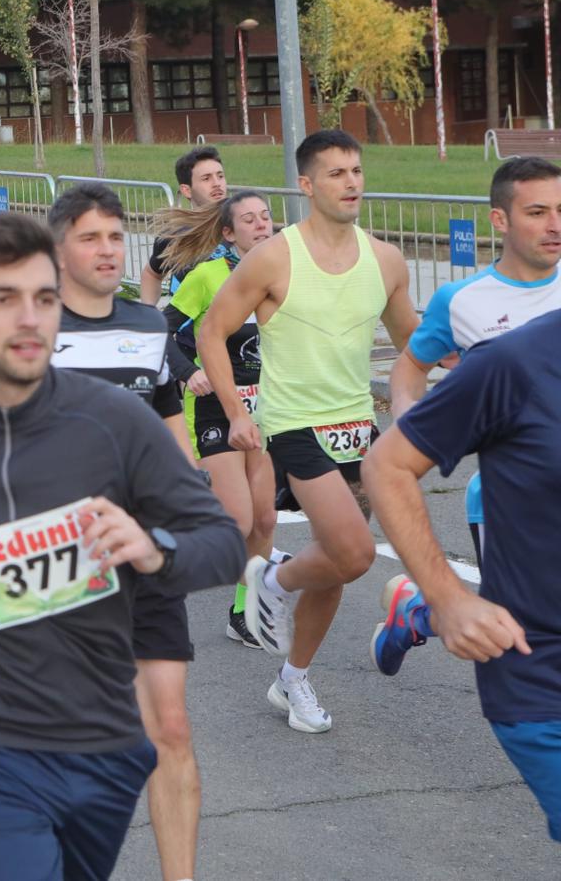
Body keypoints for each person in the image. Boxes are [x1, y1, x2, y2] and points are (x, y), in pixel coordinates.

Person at [0, 212, 243, 881]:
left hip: (103, 749)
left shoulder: (116, 423)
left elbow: (224, 541)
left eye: (43, 299)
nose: (29, 319)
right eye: (3, 300)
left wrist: (154, 550)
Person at [197, 129, 418, 733]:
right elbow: (210, 332)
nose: (351, 183)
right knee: (354, 552)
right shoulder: (275, 256)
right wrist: (238, 414)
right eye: (336, 173)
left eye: (356, 170)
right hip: (295, 424)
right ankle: (270, 576)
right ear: (306, 184)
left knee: (339, 564)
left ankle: (291, 680)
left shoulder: (386, 260)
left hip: (358, 427)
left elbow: (413, 349)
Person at [43, 184, 205, 881]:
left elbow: (173, 431)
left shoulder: (149, 325)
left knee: (168, 730)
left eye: (115, 236)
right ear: (57, 250)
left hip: (144, 553)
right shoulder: (29, 329)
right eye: (89, 237)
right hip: (59, 565)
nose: (107, 249)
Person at [362, 303, 561, 841]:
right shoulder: (514, 360)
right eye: (538, 210)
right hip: (539, 668)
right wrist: (448, 597)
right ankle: (425, 610)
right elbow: (388, 463)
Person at [371, 155, 561, 676]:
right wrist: (413, 438)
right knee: (511, 631)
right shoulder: (462, 301)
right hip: (507, 498)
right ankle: (417, 613)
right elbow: (410, 369)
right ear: (500, 219)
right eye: (539, 212)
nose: (556, 226)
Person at [157, 191, 281, 649]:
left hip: (267, 409)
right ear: (228, 233)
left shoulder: (283, 273)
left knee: (265, 520)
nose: (261, 225)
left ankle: (244, 613)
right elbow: (162, 329)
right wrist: (188, 374)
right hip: (217, 408)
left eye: (266, 216)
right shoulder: (208, 275)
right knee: (239, 520)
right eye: (248, 219)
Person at [140, 147, 231, 306]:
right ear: (186, 190)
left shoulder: (243, 226)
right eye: (206, 178)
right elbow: (152, 274)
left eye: (220, 176)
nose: (217, 184)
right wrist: (149, 313)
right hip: (187, 329)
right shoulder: (175, 235)